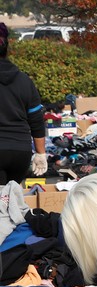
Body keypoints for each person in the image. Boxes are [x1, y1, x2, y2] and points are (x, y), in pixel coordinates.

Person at [0, 24, 48, 182]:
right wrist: (40, 154)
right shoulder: (24, 80)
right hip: (20, 153)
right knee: (11, 200)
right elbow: (36, 120)